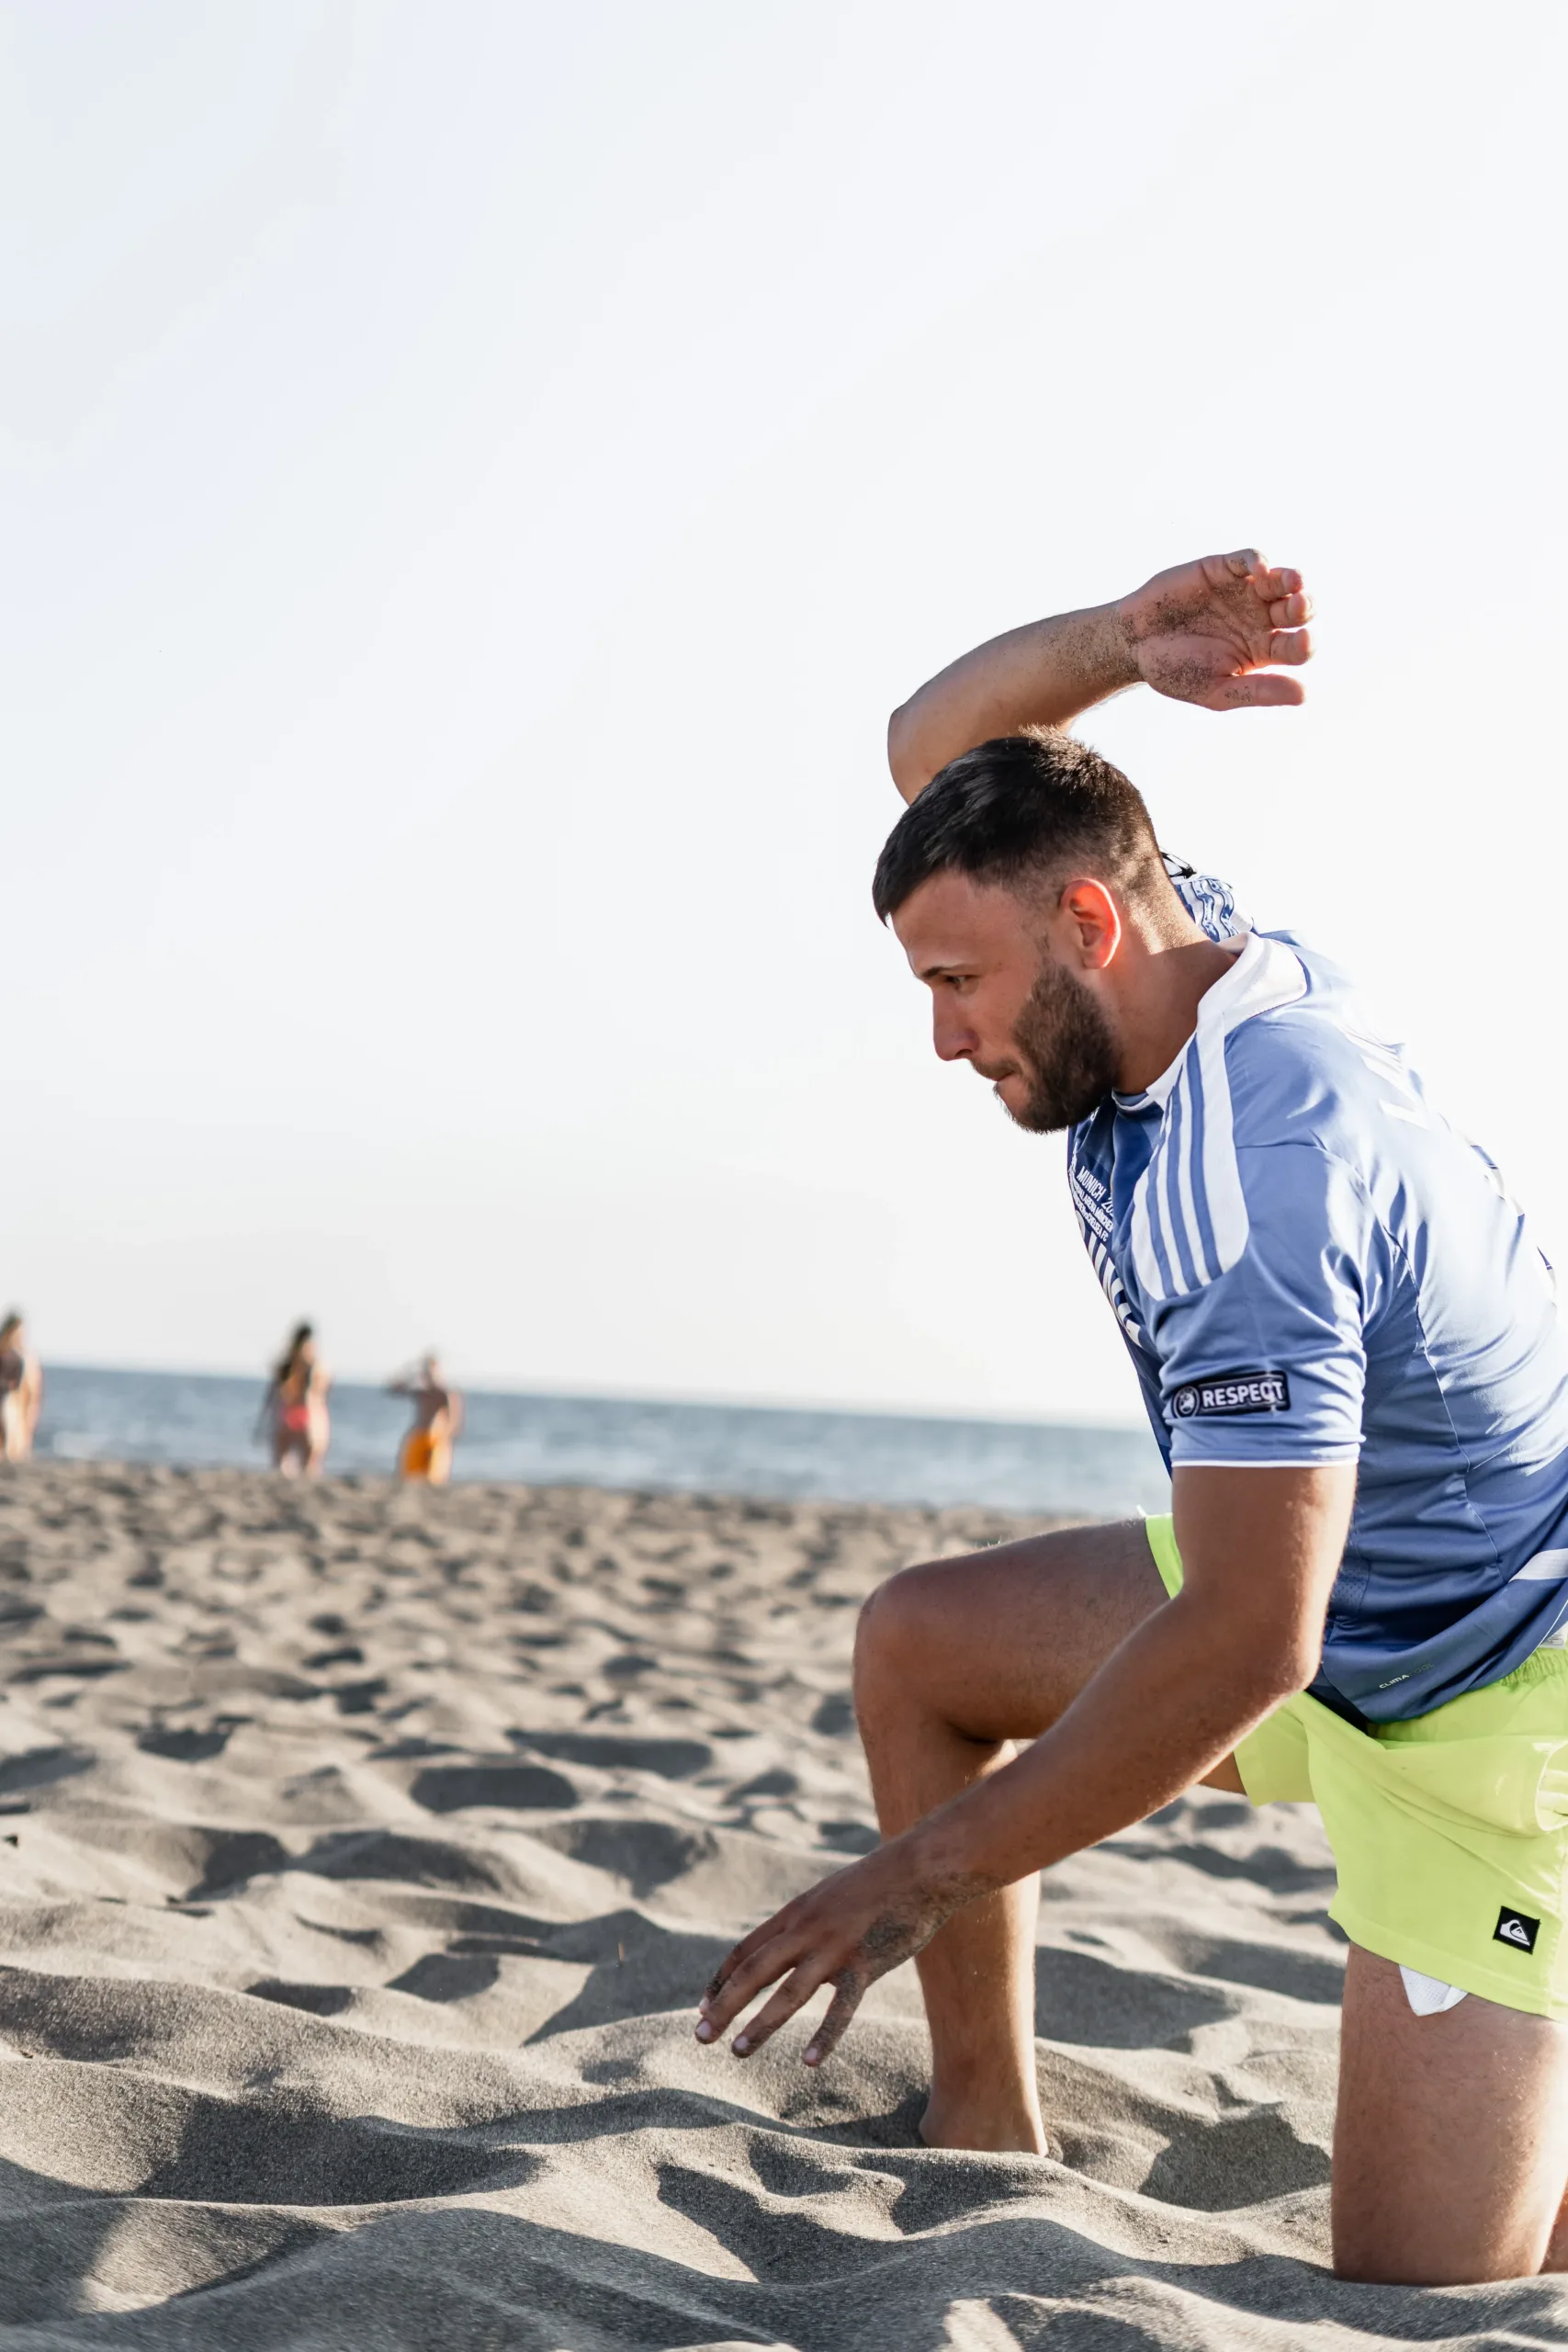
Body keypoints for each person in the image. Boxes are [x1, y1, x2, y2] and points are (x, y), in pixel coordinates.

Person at [695, 549, 1568, 2287]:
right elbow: (929, 751)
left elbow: (1247, 1638)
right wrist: (1115, 646)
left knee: (1426, 2296)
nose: (942, 1039)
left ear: (1086, 929)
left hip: (1492, 1706)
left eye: (958, 985)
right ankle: (981, 2127)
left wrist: (909, 1881)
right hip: (1337, 1597)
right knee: (922, 1647)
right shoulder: (1180, 949)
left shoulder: (1253, 1177)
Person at [263, 1322, 330, 1476]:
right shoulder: (306, 1364)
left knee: (292, 1461)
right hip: (304, 1413)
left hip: (296, 1413)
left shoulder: (298, 1364)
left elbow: (275, 1393)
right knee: (305, 1462)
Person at [389, 1352, 462, 1484]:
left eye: (430, 1371)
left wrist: (446, 1437)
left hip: (435, 1438)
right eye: (425, 1372)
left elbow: (454, 1419)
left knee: (433, 1478)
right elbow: (393, 1389)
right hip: (418, 1435)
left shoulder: (443, 1393)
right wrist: (408, 1369)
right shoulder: (421, 1392)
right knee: (409, 1476)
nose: (428, 1375)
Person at [0, 1315, 43, 1462]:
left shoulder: (26, 1358)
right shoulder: (5, 1354)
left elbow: (32, 1392)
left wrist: (30, 1420)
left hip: (15, 1403)